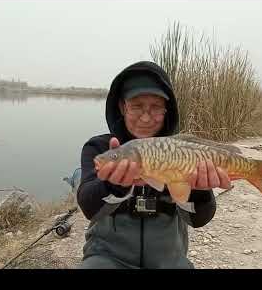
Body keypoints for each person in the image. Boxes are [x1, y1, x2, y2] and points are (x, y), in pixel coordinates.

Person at [76, 61, 231, 269]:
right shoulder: (100, 148)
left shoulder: (181, 151)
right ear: (122, 107)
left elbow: (198, 221)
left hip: (168, 259)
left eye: (156, 107)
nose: (146, 117)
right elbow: (89, 208)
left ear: (167, 110)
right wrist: (114, 185)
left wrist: (199, 191)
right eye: (137, 106)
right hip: (107, 257)